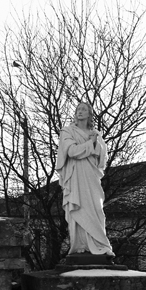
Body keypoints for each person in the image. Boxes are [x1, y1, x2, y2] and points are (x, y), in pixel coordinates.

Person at [56, 101, 114, 256]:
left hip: (91, 175)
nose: (80, 111)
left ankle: (101, 244)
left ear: (89, 114)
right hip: (75, 176)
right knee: (79, 206)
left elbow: (102, 159)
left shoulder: (96, 134)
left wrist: (95, 144)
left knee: (96, 208)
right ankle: (81, 245)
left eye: (83, 109)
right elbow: (72, 152)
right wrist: (91, 144)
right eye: (78, 109)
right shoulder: (67, 131)